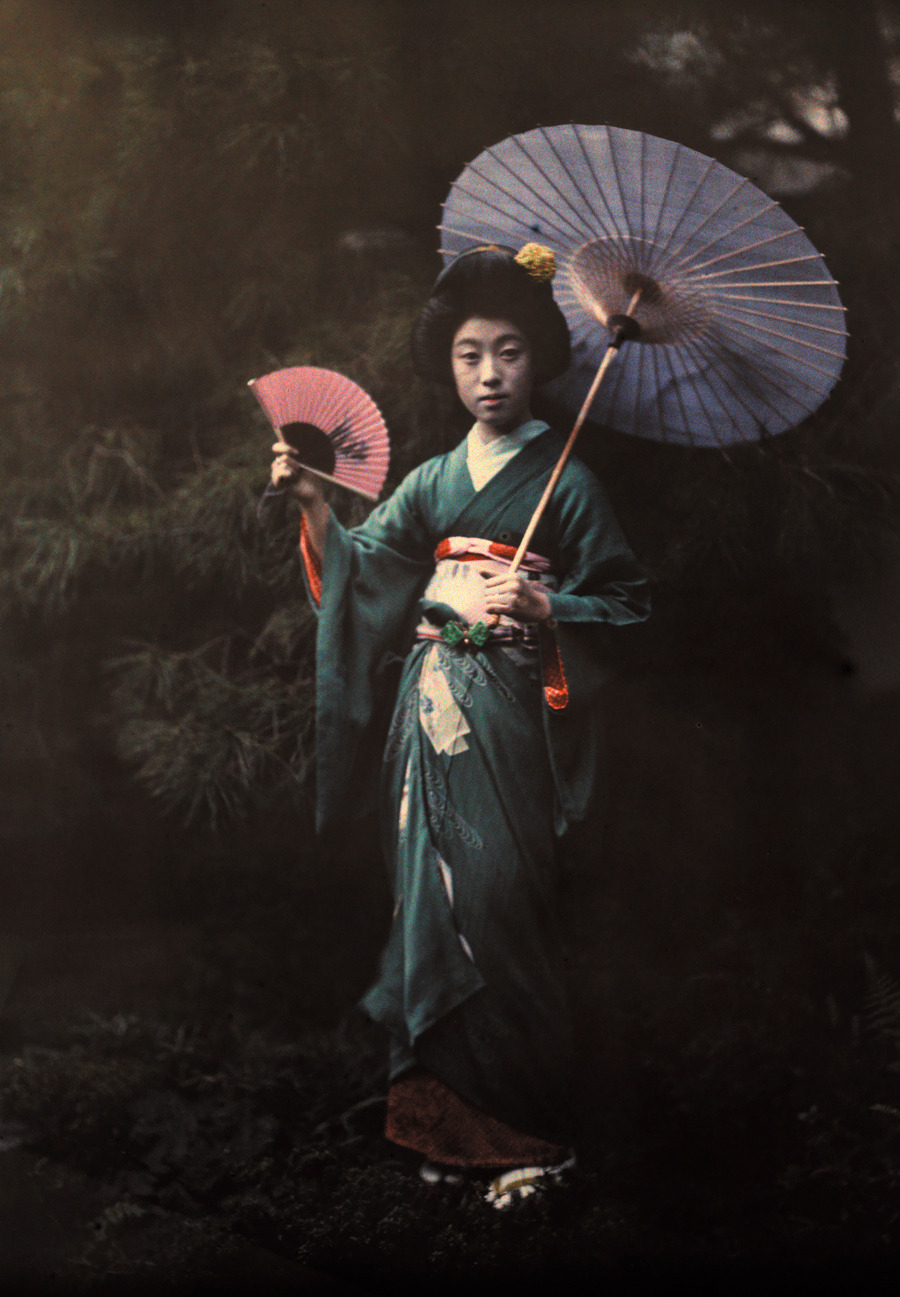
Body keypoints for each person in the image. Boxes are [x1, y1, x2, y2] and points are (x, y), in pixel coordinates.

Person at [270, 244, 650, 1208]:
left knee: (497, 901)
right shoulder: (438, 479)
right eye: (470, 353)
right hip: (430, 711)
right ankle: (455, 1128)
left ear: (543, 361)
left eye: (512, 352)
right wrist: (317, 500)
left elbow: (632, 603)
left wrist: (551, 610)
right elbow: (366, 574)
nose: (490, 374)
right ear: (449, 362)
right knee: (428, 902)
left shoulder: (569, 484)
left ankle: (532, 1132)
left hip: (514, 715)